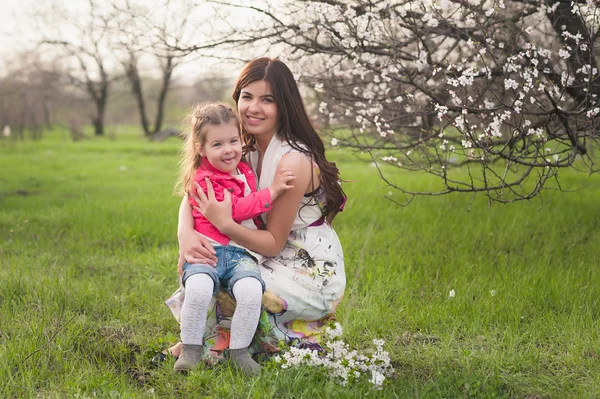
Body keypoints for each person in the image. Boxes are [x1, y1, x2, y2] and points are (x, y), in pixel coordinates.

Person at [172, 57, 347, 369]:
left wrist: (224, 222)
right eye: (247, 96)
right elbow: (196, 190)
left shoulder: (292, 162)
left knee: (237, 283)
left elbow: (273, 243)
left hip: (300, 259)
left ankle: (216, 345)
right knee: (206, 270)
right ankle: (200, 344)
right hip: (253, 244)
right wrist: (185, 234)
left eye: (267, 99)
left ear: (284, 105)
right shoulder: (238, 147)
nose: (254, 107)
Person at [172, 102, 295, 375]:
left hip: (241, 254)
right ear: (201, 149)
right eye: (217, 145)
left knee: (252, 292)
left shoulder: (242, 168)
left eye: (233, 141)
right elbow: (234, 211)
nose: (228, 149)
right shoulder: (204, 179)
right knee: (200, 289)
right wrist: (272, 191)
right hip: (208, 252)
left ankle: (239, 352)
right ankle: (190, 349)